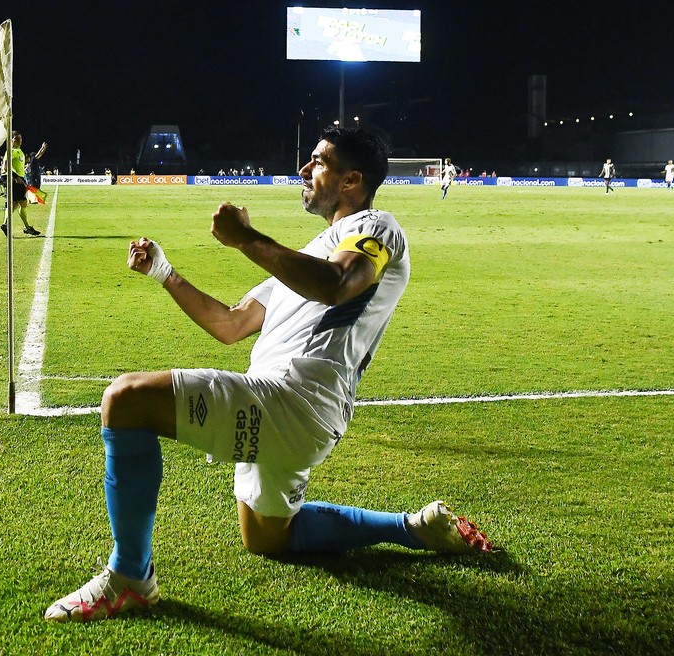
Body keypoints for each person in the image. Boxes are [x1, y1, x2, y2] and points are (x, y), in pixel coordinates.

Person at [43, 128, 493, 624]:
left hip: (296, 398)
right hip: (293, 409)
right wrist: (164, 273)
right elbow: (230, 324)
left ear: (353, 180)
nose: (304, 170)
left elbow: (340, 284)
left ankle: (130, 577)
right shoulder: (306, 256)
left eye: (318, 162)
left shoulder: (377, 227)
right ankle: (411, 528)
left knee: (125, 400)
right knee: (267, 537)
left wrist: (249, 240)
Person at [1, 130, 40, 236]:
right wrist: (16, 177)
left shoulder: (20, 151)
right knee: (23, 202)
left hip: (19, 178)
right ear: (12, 140)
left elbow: (31, 160)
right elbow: (5, 167)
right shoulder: (10, 151)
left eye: (21, 138)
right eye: (17, 138)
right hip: (14, 179)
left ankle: (5, 224)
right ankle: (26, 227)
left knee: (14, 204)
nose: (20, 140)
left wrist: (41, 151)